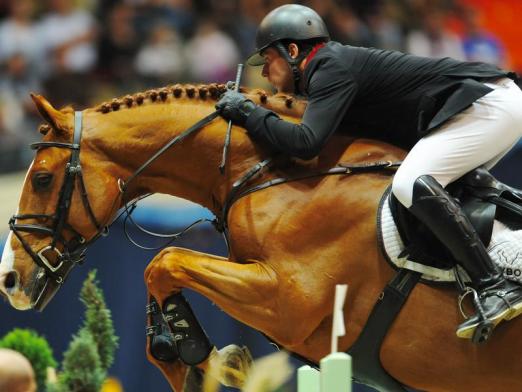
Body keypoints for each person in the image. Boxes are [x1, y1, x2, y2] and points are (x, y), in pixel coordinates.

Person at [215, 4, 522, 341]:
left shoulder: (328, 65)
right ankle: (510, 261)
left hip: (487, 104)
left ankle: (493, 286)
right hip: (488, 105)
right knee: (443, 188)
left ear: (291, 51)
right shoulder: (329, 70)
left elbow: (305, 143)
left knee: (410, 183)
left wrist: (247, 113)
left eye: (268, 61)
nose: (266, 74)